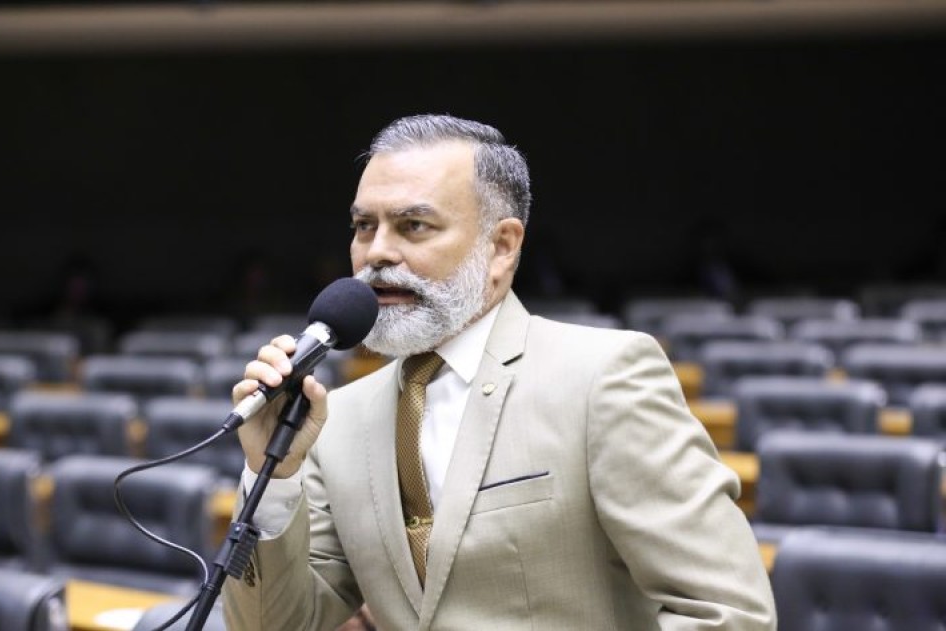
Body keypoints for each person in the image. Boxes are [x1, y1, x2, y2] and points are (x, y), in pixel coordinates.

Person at [223, 114, 776, 630]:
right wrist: (272, 473)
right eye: (364, 226)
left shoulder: (603, 378)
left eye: (413, 225)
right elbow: (276, 623)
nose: (377, 253)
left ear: (502, 246)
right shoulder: (337, 417)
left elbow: (727, 612)